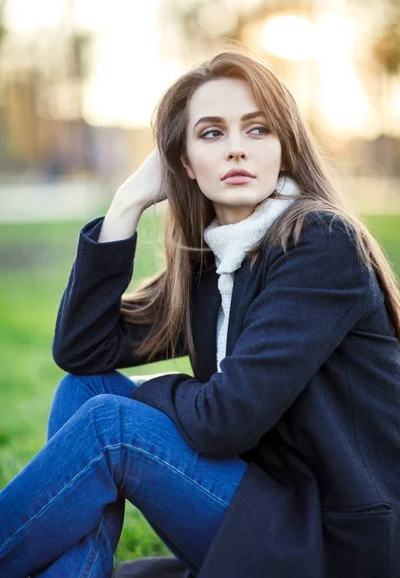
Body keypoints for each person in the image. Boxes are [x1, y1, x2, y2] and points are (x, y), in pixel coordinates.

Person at [0, 45, 399, 578]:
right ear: (183, 162)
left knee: (111, 424)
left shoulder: (320, 244)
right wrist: (125, 205)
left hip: (332, 538)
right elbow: (83, 351)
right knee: (84, 393)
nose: (237, 149)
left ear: (284, 148)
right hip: (265, 503)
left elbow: (224, 423)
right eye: (212, 133)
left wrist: (146, 398)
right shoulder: (216, 259)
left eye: (258, 130)